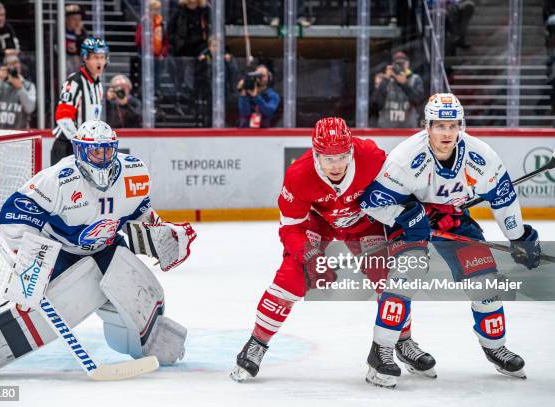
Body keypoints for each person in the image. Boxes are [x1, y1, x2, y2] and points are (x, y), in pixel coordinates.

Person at [0, 119, 196, 380]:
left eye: (108, 150)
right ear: (79, 151)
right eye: (95, 152)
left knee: (143, 293)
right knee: (32, 314)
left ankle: (156, 343)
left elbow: (140, 215)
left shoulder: (134, 172)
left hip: (107, 249)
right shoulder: (59, 180)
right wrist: (31, 257)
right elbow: (14, 215)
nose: (103, 158)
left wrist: (161, 233)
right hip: (62, 254)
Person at [359, 93, 541, 387]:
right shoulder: (406, 158)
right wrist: (410, 216)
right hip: (409, 222)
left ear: (460, 126)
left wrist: (518, 237)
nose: (446, 133)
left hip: (452, 220)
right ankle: (380, 351)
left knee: (484, 280)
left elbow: (503, 198)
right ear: (427, 126)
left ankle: (495, 346)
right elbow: (373, 203)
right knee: (408, 275)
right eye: (439, 126)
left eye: (452, 125)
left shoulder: (480, 155)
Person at [230, 117, 432, 382]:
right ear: (316, 154)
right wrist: (311, 256)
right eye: (328, 158)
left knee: (392, 281)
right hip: (319, 224)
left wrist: (411, 216)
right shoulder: (299, 175)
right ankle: (257, 342)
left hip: (364, 224)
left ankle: (401, 341)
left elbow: (400, 190)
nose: (335, 165)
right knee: (292, 275)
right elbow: (290, 228)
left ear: (351, 150)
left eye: (341, 157)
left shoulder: (371, 156)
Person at [51, 36, 107, 166]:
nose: (99, 61)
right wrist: (78, 141)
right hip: (67, 147)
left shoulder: (98, 85)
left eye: (102, 57)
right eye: (95, 57)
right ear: (85, 58)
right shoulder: (74, 82)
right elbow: (62, 116)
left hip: (87, 147)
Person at [168, 0, 210, 99]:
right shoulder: (179, 11)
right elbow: (170, 29)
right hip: (182, 49)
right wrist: (176, 42)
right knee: (180, 74)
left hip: (199, 48)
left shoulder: (203, 12)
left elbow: (208, 29)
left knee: (197, 74)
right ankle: (179, 96)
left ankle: (195, 96)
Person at [371, 52, 424, 128]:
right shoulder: (385, 80)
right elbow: (375, 104)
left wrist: (404, 84)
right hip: (386, 130)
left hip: (408, 130)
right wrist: (386, 79)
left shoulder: (415, 79)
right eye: (397, 64)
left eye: (402, 64)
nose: (400, 67)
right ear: (392, 65)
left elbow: (419, 102)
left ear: (407, 64)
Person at [0, 54, 36, 129]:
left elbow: (30, 109)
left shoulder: (28, 85)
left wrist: (21, 88)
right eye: (12, 63)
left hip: (20, 133)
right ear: (5, 67)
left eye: (17, 62)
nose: (16, 66)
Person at [65, 3, 88, 75]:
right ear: (66, 20)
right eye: (74, 19)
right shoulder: (59, 32)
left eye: (79, 19)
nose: (77, 22)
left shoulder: (83, 33)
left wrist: (79, 36)